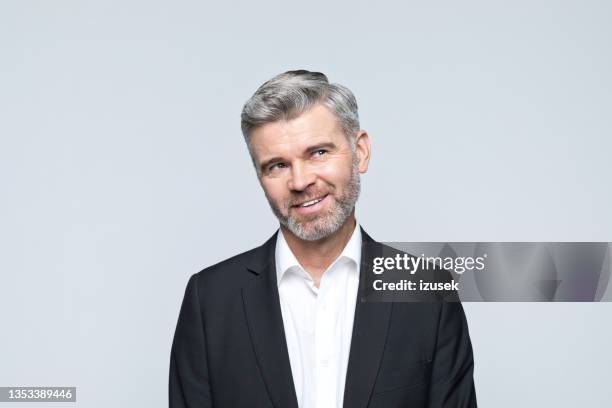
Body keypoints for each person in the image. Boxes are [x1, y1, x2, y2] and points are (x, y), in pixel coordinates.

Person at [169, 70, 477, 408]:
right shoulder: (210, 300)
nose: (300, 181)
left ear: (360, 152)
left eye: (318, 153)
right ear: (259, 176)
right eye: (277, 165)